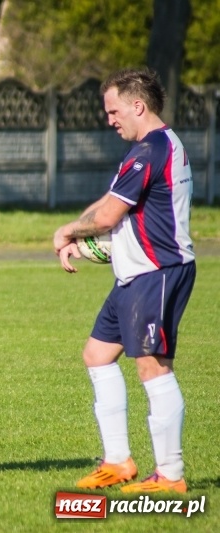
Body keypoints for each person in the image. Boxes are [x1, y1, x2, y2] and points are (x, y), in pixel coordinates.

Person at [53, 68, 195, 494]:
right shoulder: (150, 148)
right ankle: (119, 462)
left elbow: (109, 216)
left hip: (158, 272)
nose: (110, 119)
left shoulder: (149, 150)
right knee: (97, 355)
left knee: (153, 367)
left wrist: (68, 231)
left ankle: (170, 475)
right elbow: (113, 202)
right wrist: (81, 235)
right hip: (132, 274)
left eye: (114, 111)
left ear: (138, 105)